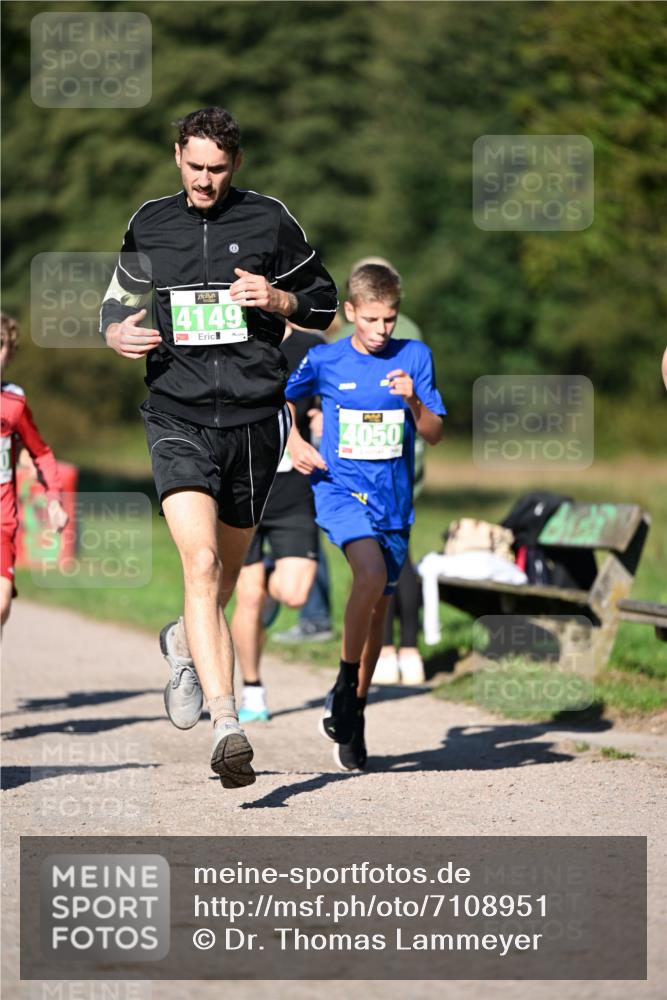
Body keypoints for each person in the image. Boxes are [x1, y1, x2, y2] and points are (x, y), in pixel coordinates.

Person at [101, 107, 337, 788]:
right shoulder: (150, 222)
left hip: (256, 422)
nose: (204, 181)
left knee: (226, 575)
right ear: (177, 155)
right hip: (175, 414)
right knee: (200, 562)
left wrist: (278, 299)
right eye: (194, 166)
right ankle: (226, 724)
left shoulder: (268, 220)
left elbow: (323, 303)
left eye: (217, 169)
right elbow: (114, 303)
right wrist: (116, 333)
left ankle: (182, 640)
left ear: (237, 165)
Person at [285, 263, 446, 770]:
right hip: (338, 490)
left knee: (378, 607)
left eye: (390, 321)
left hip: (393, 502)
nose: (381, 331)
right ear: (350, 311)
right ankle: (343, 685)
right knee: (370, 576)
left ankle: (356, 705)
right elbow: (282, 400)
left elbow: (435, 432)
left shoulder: (414, 357)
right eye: (372, 319)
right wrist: (293, 441)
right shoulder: (325, 359)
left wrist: (413, 400)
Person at [230, 322, 324, 722]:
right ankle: (252, 690)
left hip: (292, 487)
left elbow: (325, 395)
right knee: (249, 597)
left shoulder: (310, 345)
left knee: (296, 594)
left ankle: (265, 570)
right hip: (241, 484)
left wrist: (322, 417)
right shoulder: (230, 337)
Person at [1, 312, 68, 628]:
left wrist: (54, 500)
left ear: (10, 353)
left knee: (1, 605)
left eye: (0, 345)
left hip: (2, 522)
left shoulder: (14, 402)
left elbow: (41, 454)